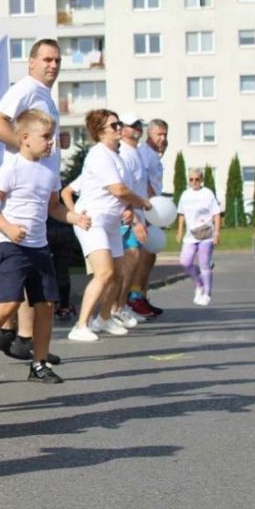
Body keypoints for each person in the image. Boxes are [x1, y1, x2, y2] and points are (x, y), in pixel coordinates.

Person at [0, 109, 90, 383]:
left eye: (52, 137)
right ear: (25, 138)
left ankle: (39, 364)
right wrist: (7, 227)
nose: (51, 142)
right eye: (45, 137)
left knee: (45, 305)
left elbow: (53, 207)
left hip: (39, 247)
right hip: (11, 245)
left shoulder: (50, 170)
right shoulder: (12, 167)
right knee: (9, 303)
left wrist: (75, 217)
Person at [0, 39, 64, 361]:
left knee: (35, 272)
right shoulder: (27, 88)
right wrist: (25, 146)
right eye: (46, 59)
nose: (53, 65)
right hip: (22, 187)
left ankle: (22, 337)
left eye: (57, 60)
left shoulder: (44, 96)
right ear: (31, 63)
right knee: (27, 265)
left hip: (41, 188)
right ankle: (13, 337)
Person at [63, 110, 150, 342]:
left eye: (119, 123)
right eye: (114, 125)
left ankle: (103, 318)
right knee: (105, 272)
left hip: (111, 222)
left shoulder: (115, 157)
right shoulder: (99, 155)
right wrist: (141, 202)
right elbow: (118, 190)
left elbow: (119, 195)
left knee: (118, 273)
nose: (119, 128)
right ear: (101, 132)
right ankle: (80, 326)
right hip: (93, 220)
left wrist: (129, 209)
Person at [112, 113, 150, 327]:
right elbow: (122, 189)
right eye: (132, 125)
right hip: (126, 217)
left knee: (133, 261)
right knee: (128, 259)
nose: (137, 128)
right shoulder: (124, 153)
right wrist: (134, 217)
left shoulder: (136, 152)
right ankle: (115, 308)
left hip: (138, 214)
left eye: (139, 124)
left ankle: (121, 306)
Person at [130, 118, 169, 317]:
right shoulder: (144, 153)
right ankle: (135, 297)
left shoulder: (155, 155)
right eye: (158, 134)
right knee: (144, 256)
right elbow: (144, 182)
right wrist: (152, 206)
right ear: (149, 134)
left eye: (164, 134)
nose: (162, 138)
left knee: (150, 255)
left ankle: (142, 296)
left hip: (154, 211)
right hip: (147, 210)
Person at [175, 168, 222, 305]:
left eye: (197, 179)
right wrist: (179, 231)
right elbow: (181, 214)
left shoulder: (207, 194)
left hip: (206, 233)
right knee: (185, 262)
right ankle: (199, 283)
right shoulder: (185, 195)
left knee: (204, 264)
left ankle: (207, 293)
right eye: (191, 179)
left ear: (201, 180)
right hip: (190, 235)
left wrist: (217, 233)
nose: (194, 182)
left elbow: (216, 214)